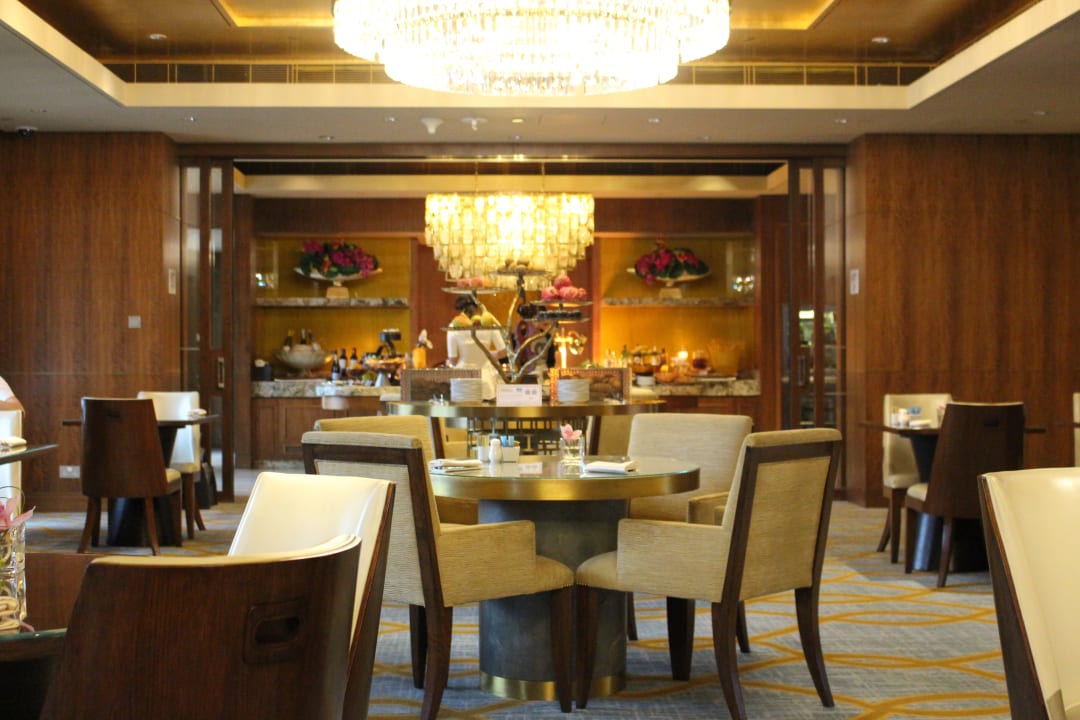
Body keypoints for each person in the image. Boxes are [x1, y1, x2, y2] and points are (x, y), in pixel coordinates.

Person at [446, 295, 507, 400]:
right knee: (485, 408)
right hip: (486, 377)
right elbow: (503, 352)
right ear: (476, 307)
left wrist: (449, 362)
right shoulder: (487, 323)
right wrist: (487, 355)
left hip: (463, 378)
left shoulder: (453, 326)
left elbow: (453, 360)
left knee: (462, 409)